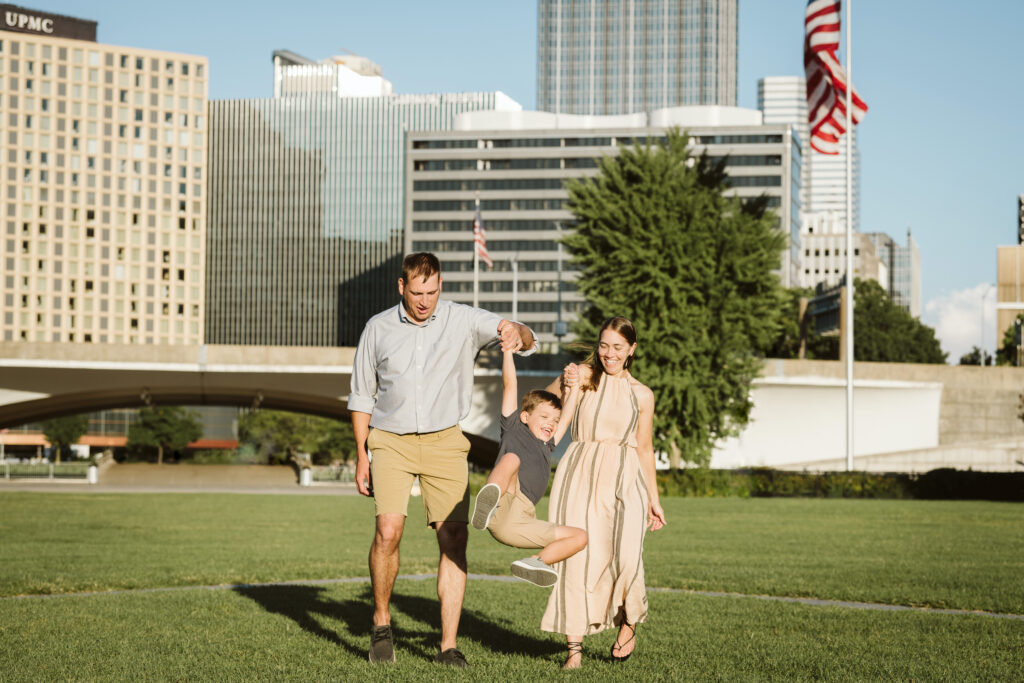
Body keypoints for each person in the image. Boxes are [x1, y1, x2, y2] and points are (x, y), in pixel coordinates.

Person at [348, 252, 535, 668]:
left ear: (441, 287)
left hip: (446, 441)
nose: (425, 300)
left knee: (453, 540)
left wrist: (516, 335)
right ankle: (381, 622)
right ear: (402, 287)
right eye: (417, 292)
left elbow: (518, 331)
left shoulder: (462, 319)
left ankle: (448, 646)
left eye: (432, 292)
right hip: (391, 440)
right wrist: (361, 454)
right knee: (388, 530)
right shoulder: (377, 329)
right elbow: (361, 397)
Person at [539, 316, 667, 669]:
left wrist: (654, 500)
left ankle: (629, 619)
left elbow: (644, 447)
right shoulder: (582, 376)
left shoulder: (642, 394)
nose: (609, 354)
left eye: (618, 347)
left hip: (626, 479)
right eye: (604, 345)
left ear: (632, 350)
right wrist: (565, 380)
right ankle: (574, 652)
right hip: (578, 472)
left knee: (628, 557)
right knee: (575, 560)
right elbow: (546, 403)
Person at [470, 348, 587, 587]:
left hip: (522, 521)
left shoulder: (549, 444)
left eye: (554, 421)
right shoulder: (513, 427)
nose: (551, 424)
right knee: (512, 459)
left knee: (580, 537)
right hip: (504, 502)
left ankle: (535, 562)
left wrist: (575, 388)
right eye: (544, 417)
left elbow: (568, 415)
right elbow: (510, 383)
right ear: (525, 417)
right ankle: (488, 502)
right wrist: (507, 352)